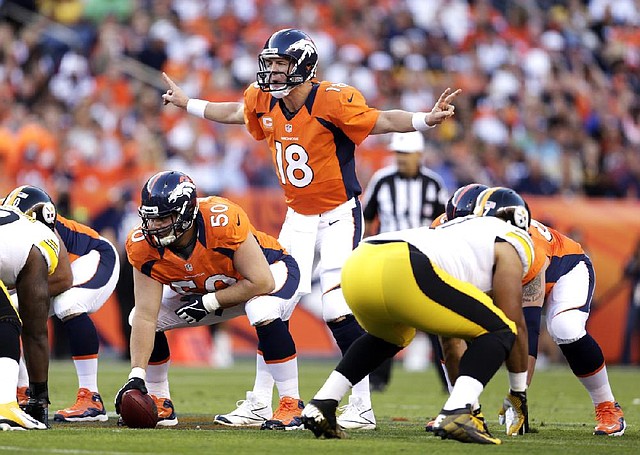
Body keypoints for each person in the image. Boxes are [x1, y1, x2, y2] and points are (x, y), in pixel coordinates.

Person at [161, 28, 461, 429]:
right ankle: (260, 403)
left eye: (280, 63)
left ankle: (361, 405)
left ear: (302, 65)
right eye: (269, 63)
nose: (272, 71)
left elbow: (383, 120)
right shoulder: (263, 97)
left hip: (339, 214)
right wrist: (189, 104)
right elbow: (236, 112)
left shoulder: (333, 99)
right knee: (268, 302)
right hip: (297, 216)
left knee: (338, 306)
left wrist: (426, 119)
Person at [300, 190, 534, 445]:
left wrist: (471, 404)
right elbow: (514, 323)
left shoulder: (454, 230)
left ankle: (323, 402)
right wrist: (518, 392)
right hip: (404, 263)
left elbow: (450, 340)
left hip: (360, 262)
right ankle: (457, 411)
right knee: (501, 329)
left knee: (390, 336)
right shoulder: (510, 239)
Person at [114, 170, 304, 430]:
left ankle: (291, 404)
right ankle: (159, 400)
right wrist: (137, 375)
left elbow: (262, 282)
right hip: (210, 288)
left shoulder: (221, 219)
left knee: (262, 308)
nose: (154, 226)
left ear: (186, 212)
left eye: (163, 218)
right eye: (150, 219)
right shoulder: (141, 244)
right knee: (138, 317)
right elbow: (146, 315)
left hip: (269, 270)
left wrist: (210, 303)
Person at [438, 186, 627, 437]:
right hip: (496, 272)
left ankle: (607, 406)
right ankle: (459, 408)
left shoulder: (525, 249)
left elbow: (527, 325)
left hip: (565, 269)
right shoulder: (443, 227)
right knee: (449, 322)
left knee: (565, 327)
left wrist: (519, 394)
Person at [4, 185, 120, 423]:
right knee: (11, 312)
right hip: (61, 271)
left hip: (95, 257)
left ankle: (91, 397)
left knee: (68, 304)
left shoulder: (42, 229)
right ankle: (23, 391)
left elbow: (63, 279)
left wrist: (19, 292)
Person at [362, 131, 448, 391]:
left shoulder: (433, 183)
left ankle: (449, 379)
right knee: (383, 320)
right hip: (387, 257)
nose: (400, 159)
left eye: (406, 153)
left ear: (418, 155)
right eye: (398, 153)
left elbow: (445, 221)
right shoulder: (382, 180)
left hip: (423, 257)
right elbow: (367, 217)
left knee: (435, 321)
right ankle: (377, 380)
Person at [0, 204, 62, 430]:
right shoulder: (42, 238)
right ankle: (5, 407)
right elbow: (35, 330)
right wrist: (39, 399)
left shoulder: (13, 220)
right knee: (7, 319)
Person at [621, 239, 640, 365]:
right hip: (636, 298)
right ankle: (625, 360)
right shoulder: (634, 258)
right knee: (629, 329)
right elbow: (626, 272)